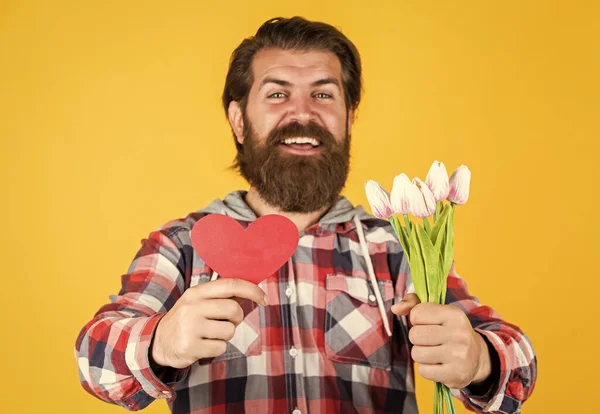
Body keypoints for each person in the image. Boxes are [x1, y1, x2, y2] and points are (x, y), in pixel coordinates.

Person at [74, 16, 536, 414]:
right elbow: (95, 360)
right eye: (277, 95)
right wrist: (160, 343)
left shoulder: (396, 245)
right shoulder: (180, 245)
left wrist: (479, 360)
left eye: (323, 94)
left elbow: (517, 366)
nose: (303, 113)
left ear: (349, 117)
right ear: (239, 120)